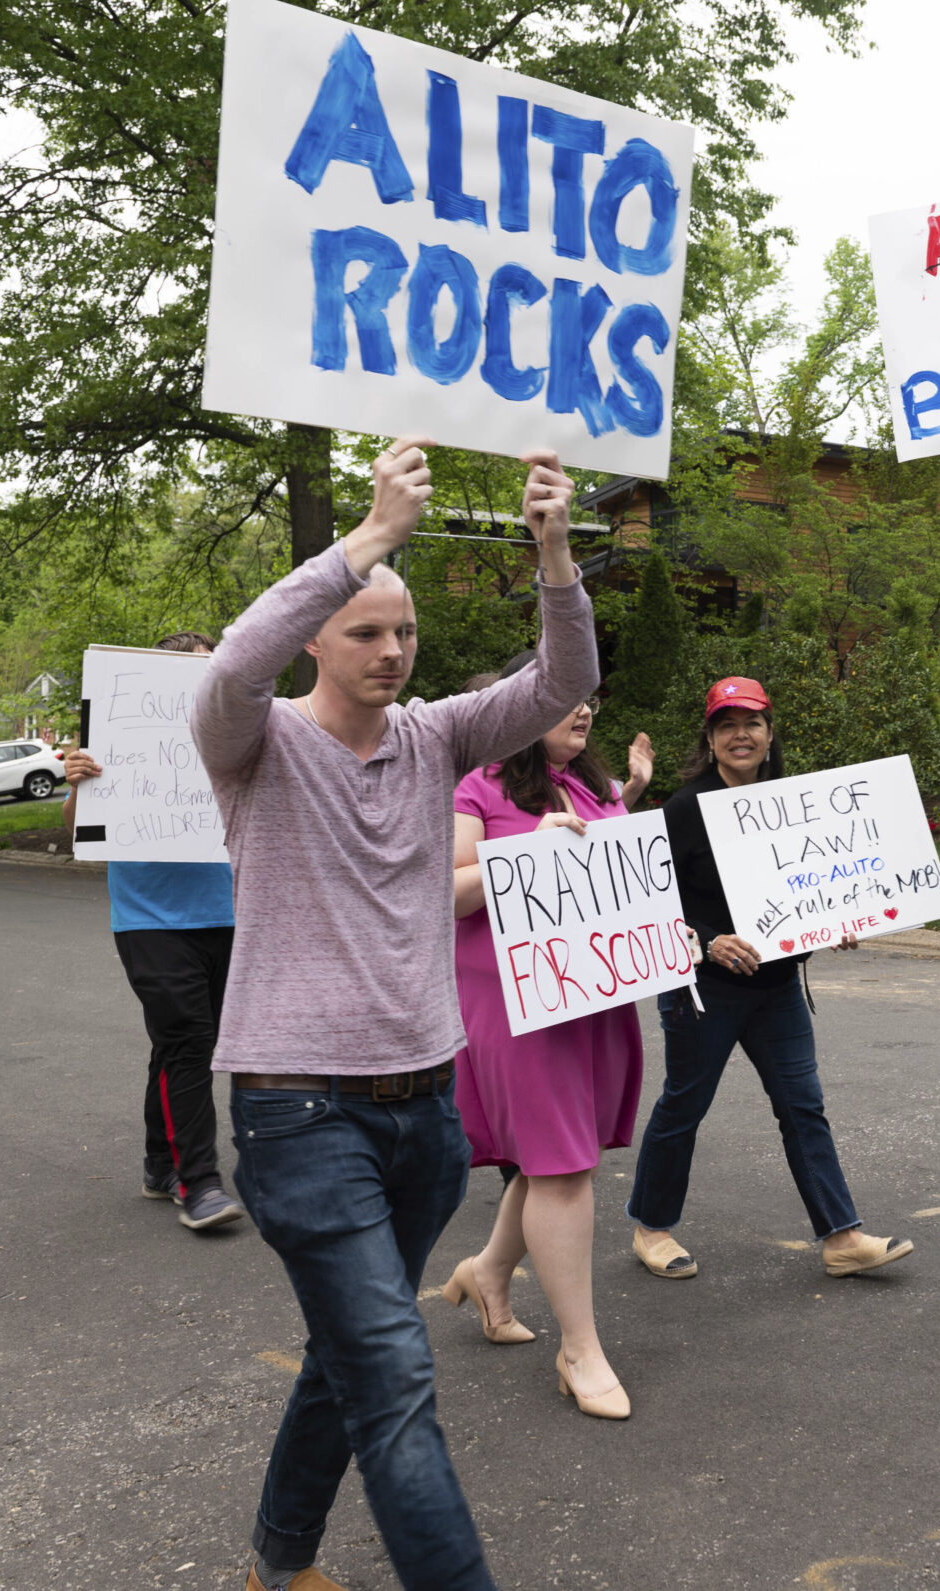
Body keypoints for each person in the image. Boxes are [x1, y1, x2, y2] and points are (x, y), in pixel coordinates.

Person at [193, 435, 596, 1591]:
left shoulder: (436, 737)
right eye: (364, 628)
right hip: (298, 1113)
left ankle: (281, 1553)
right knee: (395, 1376)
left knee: (349, 1354)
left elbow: (561, 684)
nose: (388, 648)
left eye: (403, 630)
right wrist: (368, 540)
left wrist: (554, 549)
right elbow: (228, 668)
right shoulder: (254, 743)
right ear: (316, 634)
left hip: (426, 1110)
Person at [621, 676, 914, 1282]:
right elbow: (649, 901)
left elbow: (811, 889)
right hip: (703, 992)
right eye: (726, 725)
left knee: (803, 1107)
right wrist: (705, 942)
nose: (740, 735)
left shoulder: (792, 804)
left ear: (769, 732)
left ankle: (842, 1237)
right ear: (710, 737)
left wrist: (838, 917)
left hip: (776, 988)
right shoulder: (684, 808)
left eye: (751, 723)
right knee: (685, 1105)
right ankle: (651, 1227)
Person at [434, 657, 655, 1422]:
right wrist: (523, 853)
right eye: (567, 700)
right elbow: (444, 890)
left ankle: (490, 1272)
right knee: (562, 1166)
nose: (585, 710)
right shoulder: (477, 786)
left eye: (591, 698)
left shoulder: (597, 789)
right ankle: (580, 1348)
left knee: (559, 1154)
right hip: (514, 1005)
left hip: (590, 997)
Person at [62, 631, 244, 1232]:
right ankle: (200, 1182)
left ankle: (158, 1163)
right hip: (151, 920)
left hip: (230, 914)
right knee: (188, 1039)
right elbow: (80, 831)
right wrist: (77, 785)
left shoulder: (232, 737)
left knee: (184, 1043)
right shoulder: (120, 733)